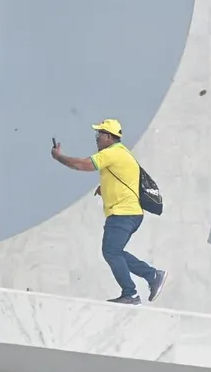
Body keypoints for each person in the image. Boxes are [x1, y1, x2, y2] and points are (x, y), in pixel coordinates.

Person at [51, 119, 168, 304]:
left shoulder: (112, 153)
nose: (97, 139)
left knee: (111, 251)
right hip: (128, 213)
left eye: (99, 135)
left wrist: (59, 157)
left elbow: (82, 165)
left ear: (108, 136)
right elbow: (122, 178)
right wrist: (103, 188)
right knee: (115, 252)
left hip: (124, 213)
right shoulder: (122, 154)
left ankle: (132, 292)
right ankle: (152, 276)